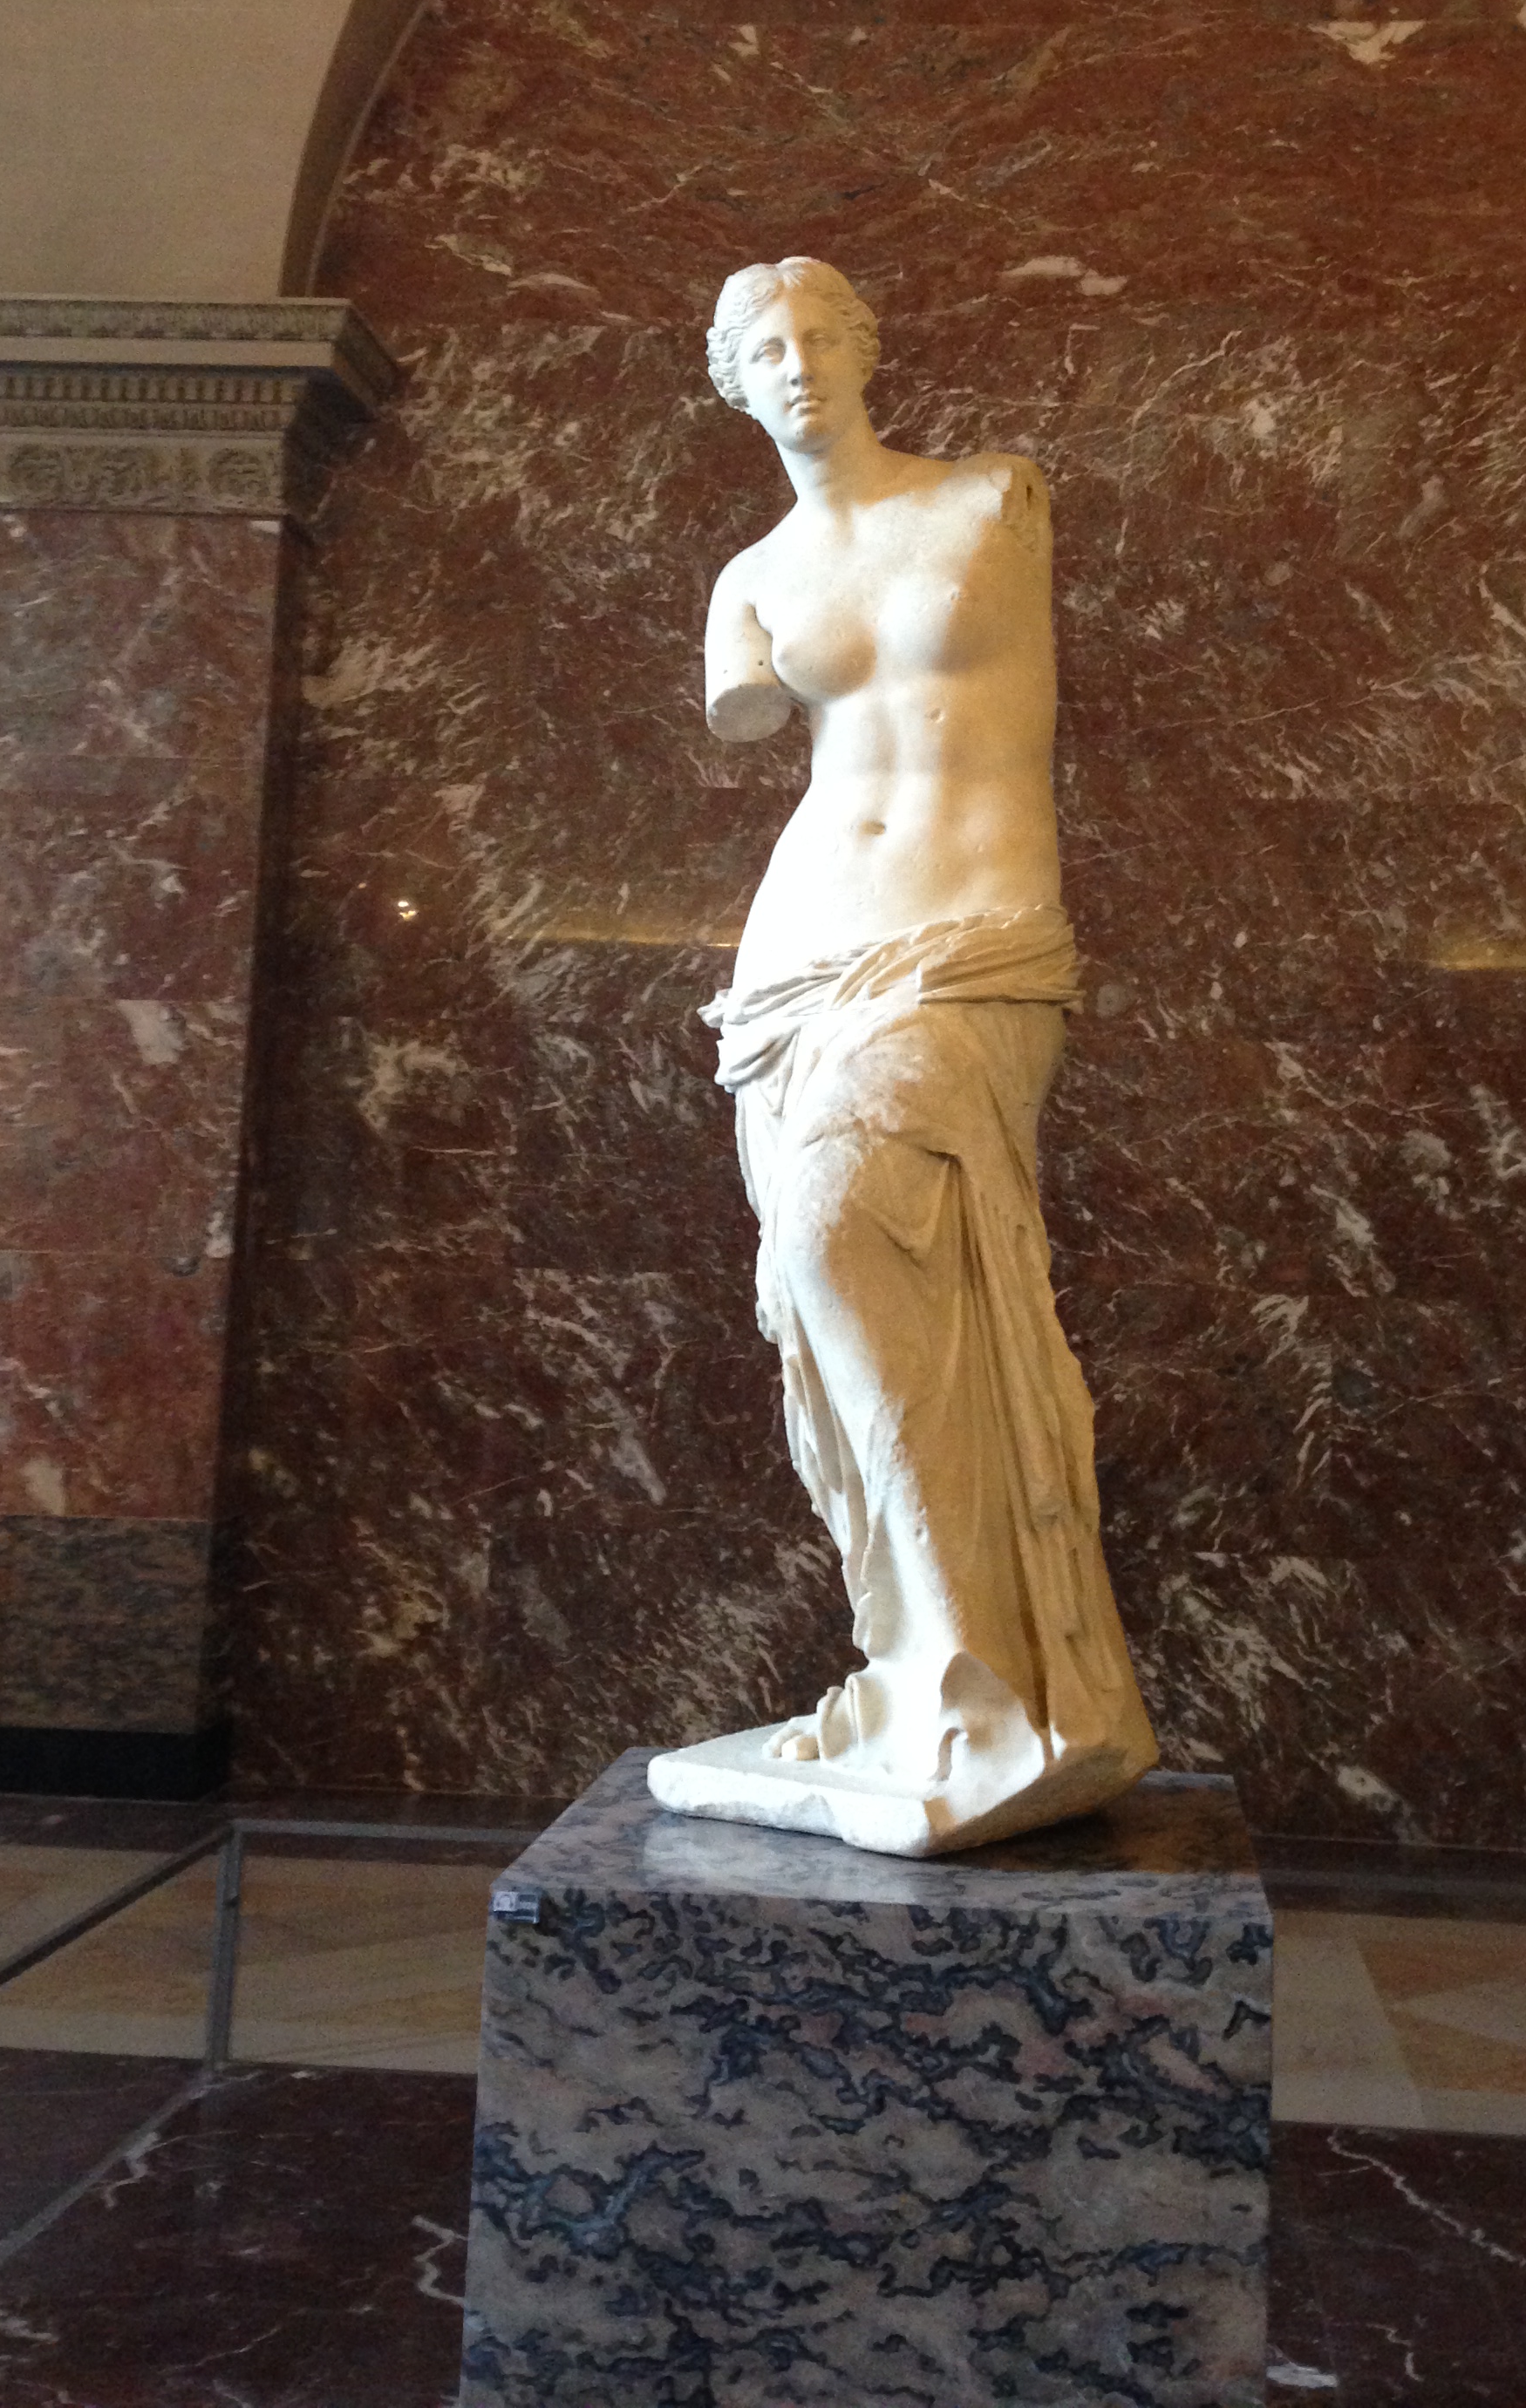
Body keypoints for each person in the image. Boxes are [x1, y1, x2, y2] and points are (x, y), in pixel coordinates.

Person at [649, 255, 1155, 1855]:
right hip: (799, 965)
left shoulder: (993, 499)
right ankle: (935, 1664)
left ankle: (980, 1674)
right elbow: (759, 726)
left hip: (970, 940)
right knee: (827, 1295)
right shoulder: (748, 582)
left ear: (868, 350)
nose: (799, 365)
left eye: (823, 336)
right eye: (766, 350)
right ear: (733, 383)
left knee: (833, 1232)